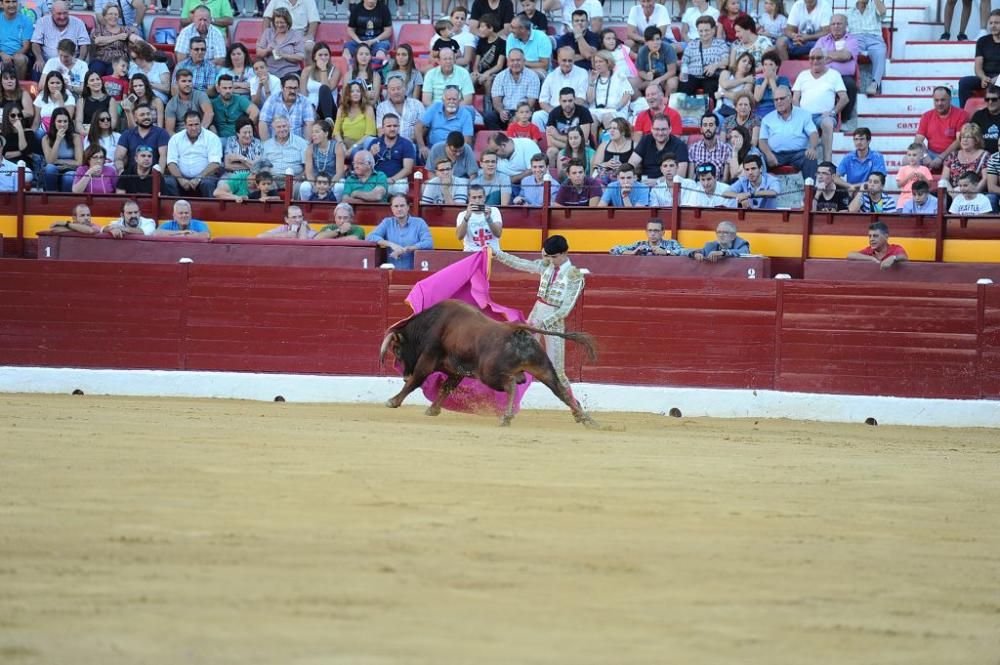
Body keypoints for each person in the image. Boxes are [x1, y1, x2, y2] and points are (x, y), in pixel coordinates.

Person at [490, 234, 591, 411]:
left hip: (554, 323)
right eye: (548, 256)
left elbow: (565, 309)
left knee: (557, 372)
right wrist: (497, 254)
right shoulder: (547, 266)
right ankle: (508, 404)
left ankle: (575, 407)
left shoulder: (574, 276)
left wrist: (544, 323)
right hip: (536, 314)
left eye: (554, 257)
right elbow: (521, 263)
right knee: (516, 358)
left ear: (564, 253)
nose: (551, 260)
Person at [791, 48, 847, 163]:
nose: (815, 61)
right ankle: (808, 163)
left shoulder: (834, 75)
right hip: (805, 115)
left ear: (826, 59)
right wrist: (799, 114)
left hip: (824, 115)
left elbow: (844, 98)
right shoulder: (803, 75)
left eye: (819, 57)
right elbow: (795, 98)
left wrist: (832, 112)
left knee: (827, 123)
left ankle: (827, 162)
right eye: (812, 58)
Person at [759, 85, 819, 179]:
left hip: (798, 154)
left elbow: (813, 133)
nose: (779, 102)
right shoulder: (767, 119)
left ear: (790, 98)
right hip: (776, 155)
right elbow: (762, 141)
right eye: (776, 99)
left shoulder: (804, 114)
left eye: (782, 98)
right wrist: (768, 154)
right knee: (757, 159)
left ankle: (811, 192)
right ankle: (762, 191)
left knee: (810, 157)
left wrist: (812, 148)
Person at [366, 193, 433, 269]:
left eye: (402, 205)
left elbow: (428, 243)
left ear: (408, 207)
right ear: (392, 208)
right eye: (396, 206)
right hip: (392, 272)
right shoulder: (387, 222)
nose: (399, 209)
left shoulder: (419, 223)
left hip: (414, 271)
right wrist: (391, 244)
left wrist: (406, 249)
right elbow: (370, 237)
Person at [165, 110, 222, 197]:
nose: (194, 128)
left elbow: (215, 164)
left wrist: (199, 178)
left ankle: (212, 210)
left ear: (201, 123)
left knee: (208, 183)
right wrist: (181, 180)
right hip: (181, 177)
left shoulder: (212, 138)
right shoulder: (175, 138)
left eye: (196, 124)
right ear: (185, 125)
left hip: (204, 177)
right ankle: (176, 209)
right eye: (190, 125)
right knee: (168, 181)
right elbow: (171, 163)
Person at [532, 47, 588, 134]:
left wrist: (566, 112)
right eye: (564, 60)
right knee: (537, 116)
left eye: (570, 61)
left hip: (574, 112)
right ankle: (544, 142)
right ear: (558, 59)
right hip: (554, 110)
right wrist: (555, 113)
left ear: (574, 60)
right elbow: (543, 101)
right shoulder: (551, 76)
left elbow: (580, 99)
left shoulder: (582, 73)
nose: (567, 63)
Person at [915, 86, 968, 171]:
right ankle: (916, 184)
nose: (939, 103)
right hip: (931, 154)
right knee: (907, 160)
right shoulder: (926, 116)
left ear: (950, 99)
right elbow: (918, 140)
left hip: (953, 155)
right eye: (936, 100)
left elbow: (959, 141)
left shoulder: (961, 115)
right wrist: (925, 155)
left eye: (943, 100)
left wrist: (941, 157)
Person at [485, 48, 540, 130]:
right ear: (508, 62)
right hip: (506, 111)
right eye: (512, 60)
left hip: (524, 112)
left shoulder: (533, 76)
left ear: (524, 61)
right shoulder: (500, 76)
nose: (515, 63)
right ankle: (501, 137)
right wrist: (501, 111)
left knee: (533, 117)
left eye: (518, 60)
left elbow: (531, 102)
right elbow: (496, 100)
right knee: (489, 116)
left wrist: (519, 115)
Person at [30, 1, 90, 75]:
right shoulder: (42, 22)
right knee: (37, 68)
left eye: (65, 13)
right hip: (48, 63)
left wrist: (79, 63)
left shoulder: (78, 23)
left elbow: (84, 45)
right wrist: (39, 59)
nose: (62, 17)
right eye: (59, 14)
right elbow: (35, 43)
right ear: (52, 13)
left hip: (71, 62)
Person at [416, 87, 473, 161]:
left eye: (454, 99)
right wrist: (422, 147)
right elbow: (418, 126)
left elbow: (467, 141)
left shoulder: (466, 114)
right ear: (443, 100)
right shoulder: (435, 107)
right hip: (432, 149)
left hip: (454, 151)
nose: (451, 102)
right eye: (449, 99)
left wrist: (454, 153)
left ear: (459, 101)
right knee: (419, 155)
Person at [678, 16, 729, 99]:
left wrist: (715, 65)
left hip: (711, 76)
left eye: (706, 30)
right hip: (693, 75)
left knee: (711, 89)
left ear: (713, 30)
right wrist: (683, 70)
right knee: (684, 86)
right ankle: (681, 109)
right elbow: (684, 61)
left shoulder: (720, 44)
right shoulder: (692, 44)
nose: (704, 33)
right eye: (701, 31)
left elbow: (726, 61)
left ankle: (709, 110)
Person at [629, 114, 690, 179]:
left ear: (670, 129)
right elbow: (632, 163)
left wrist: (657, 181)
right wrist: (631, 174)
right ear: (651, 129)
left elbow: (680, 175)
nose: (660, 133)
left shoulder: (679, 145)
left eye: (663, 129)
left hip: (668, 185)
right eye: (657, 129)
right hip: (644, 183)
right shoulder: (646, 140)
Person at [846, 0, 887, 96]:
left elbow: (883, 13)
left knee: (880, 51)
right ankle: (852, 82)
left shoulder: (875, 6)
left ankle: (875, 84)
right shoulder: (849, 12)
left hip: (874, 38)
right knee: (848, 51)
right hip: (856, 39)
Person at [115, 103, 169, 172]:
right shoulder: (127, 134)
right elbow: (118, 158)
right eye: (142, 115)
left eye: (148, 114)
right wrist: (121, 172)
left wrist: (158, 175)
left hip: (153, 175)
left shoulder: (161, 133)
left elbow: (163, 157)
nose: (146, 117)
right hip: (132, 176)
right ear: (135, 118)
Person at [89, 3, 140, 77]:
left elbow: (134, 38)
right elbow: (98, 41)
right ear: (105, 16)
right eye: (110, 14)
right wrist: (118, 37)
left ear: (119, 16)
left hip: (119, 62)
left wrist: (145, 44)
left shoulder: (125, 29)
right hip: (100, 60)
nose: (113, 16)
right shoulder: (98, 29)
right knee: (96, 69)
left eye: (116, 14)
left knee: (115, 71)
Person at [369, 112, 414, 195]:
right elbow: (366, 165)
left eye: (395, 126)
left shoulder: (407, 144)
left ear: (399, 127)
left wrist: (392, 179)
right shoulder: (374, 142)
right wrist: (371, 154)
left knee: (400, 188)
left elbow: (407, 169)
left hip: (397, 180)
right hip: (376, 180)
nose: (392, 129)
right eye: (389, 126)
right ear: (382, 128)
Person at [545, 87, 593, 165]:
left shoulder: (584, 112)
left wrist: (558, 137)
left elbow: (583, 140)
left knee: (580, 151)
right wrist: (572, 146)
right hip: (564, 147)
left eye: (570, 101)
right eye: (564, 101)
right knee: (551, 151)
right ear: (560, 101)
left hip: (582, 148)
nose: (567, 104)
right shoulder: (553, 113)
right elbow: (550, 142)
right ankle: (551, 176)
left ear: (575, 99)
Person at [258, 74, 314, 140]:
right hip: (276, 143)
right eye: (289, 88)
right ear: (282, 87)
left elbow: (309, 124)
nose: (293, 91)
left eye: (295, 88)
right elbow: (263, 122)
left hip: (297, 144)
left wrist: (306, 145)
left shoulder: (304, 101)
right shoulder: (272, 99)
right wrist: (266, 145)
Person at [260, 114, 307, 189]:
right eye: (278, 127)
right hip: (272, 179)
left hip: (294, 179)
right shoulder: (267, 144)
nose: (282, 129)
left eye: (284, 126)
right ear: (273, 128)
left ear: (289, 126)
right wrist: (269, 179)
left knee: (300, 188)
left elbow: (307, 167)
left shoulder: (301, 143)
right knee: (265, 186)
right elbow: (264, 166)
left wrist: (299, 178)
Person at [40, 107, 81, 191]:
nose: (62, 124)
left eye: (65, 121)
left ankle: (65, 200)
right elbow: (50, 161)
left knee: (70, 177)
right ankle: (51, 196)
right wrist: (58, 140)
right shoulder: (46, 139)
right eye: (59, 121)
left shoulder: (75, 137)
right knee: (50, 168)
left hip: (70, 168)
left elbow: (79, 162)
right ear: (54, 122)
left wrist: (59, 162)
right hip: (54, 167)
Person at [941, 122, 989, 192]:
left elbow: (985, 179)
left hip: (975, 194)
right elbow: (944, 179)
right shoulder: (952, 155)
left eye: (968, 137)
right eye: (963, 137)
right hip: (953, 194)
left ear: (976, 140)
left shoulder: (985, 156)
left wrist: (971, 194)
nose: (964, 140)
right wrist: (952, 194)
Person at [299, 118, 341, 198]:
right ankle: (307, 209)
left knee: (339, 187)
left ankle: (336, 208)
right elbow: (309, 173)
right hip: (315, 181)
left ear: (326, 133)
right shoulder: (310, 148)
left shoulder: (337, 147)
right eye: (312, 132)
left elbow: (339, 173)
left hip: (332, 180)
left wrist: (328, 186)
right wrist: (316, 186)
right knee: (304, 187)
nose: (313, 135)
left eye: (317, 132)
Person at [377, 74, 425, 143]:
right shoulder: (381, 107)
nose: (396, 92)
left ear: (405, 88)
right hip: (390, 146)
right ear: (388, 91)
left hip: (413, 144)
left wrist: (409, 142)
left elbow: (424, 128)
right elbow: (380, 131)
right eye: (393, 89)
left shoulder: (417, 104)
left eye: (398, 88)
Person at [164, 69, 214, 134]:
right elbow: (169, 130)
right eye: (184, 81)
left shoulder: (200, 95)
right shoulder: (171, 104)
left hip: (201, 131)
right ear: (177, 83)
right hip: (182, 135)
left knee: (213, 128)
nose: (187, 84)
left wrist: (199, 132)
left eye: (189, 81)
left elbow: (209, 113)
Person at [456, 184, 503, 250]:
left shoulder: (494, 211)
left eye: (480, 197)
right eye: (474, 197)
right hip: (471, 253)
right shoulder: (462, 215)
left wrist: (489, 219)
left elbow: (498, 234)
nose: (477, 201)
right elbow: (459, 237)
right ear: (469, 198)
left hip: (492, 253)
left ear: (484, 197)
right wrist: (467, 217)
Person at [211, 75, 259, 140]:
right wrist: (215, 137)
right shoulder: (213, 103)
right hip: (220, 138)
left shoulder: (240, 100)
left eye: (230, 88)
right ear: (218, 89)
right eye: (224, 88)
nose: (228, 91)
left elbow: (255, 111)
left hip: (238, 138)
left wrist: (245, 130)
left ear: (233, 88)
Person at [333, 80, 376, 150]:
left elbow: (369, 134)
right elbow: (336, 131)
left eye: (358, 91)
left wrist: (353, 148)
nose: (355, 93)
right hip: (344, 144)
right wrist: (342, 145)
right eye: (352, 91)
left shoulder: (368, 109)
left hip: (361, 145)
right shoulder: (342, 109)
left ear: (362, 94)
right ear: (348, 94)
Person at [635, 26, 678, 95]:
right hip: (649, 80)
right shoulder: (642, 51)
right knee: (633, 84)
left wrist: (659, 80)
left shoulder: (668, 48)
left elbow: (672, 71)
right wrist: (647, 76)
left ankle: (666, 101)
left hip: (665, 79)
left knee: (672, 83)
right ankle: (643, 104)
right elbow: (640, 71)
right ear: (646, 42)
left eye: (658, 39)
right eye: (652, 40)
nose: (656, 42)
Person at [471, 12, 506, 95]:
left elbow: (499, 65)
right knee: (471, 78)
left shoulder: (502, 43)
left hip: (494, 74)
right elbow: (476, 62)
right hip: (480, 72)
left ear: (490, 28)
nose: (479, 29)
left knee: (488, 80)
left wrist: (487, 73)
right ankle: (468, 103)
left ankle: (488, 105)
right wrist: (475, 71)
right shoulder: (481, 41)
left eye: (482, 26)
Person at [609, 218, 685, 255]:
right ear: (646, 232)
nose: (652, 234)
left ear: (663, 232)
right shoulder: (639, 244)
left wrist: (666, 252)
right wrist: (632, 252)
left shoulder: (671, 244)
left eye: (656, 230)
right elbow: (613, 249)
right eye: (650, 230)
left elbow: (684, 252)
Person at [0, 0, 32, 80]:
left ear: (18, 3)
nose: (11, 5)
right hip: (1, 53)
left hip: (19, 54)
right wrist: (2, 54)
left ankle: (19, 88)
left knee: (20, 59)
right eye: (7, 2)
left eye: (14, 1)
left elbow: (26, 46)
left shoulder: (26, 20)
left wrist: (12, 57)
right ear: (1, 4)